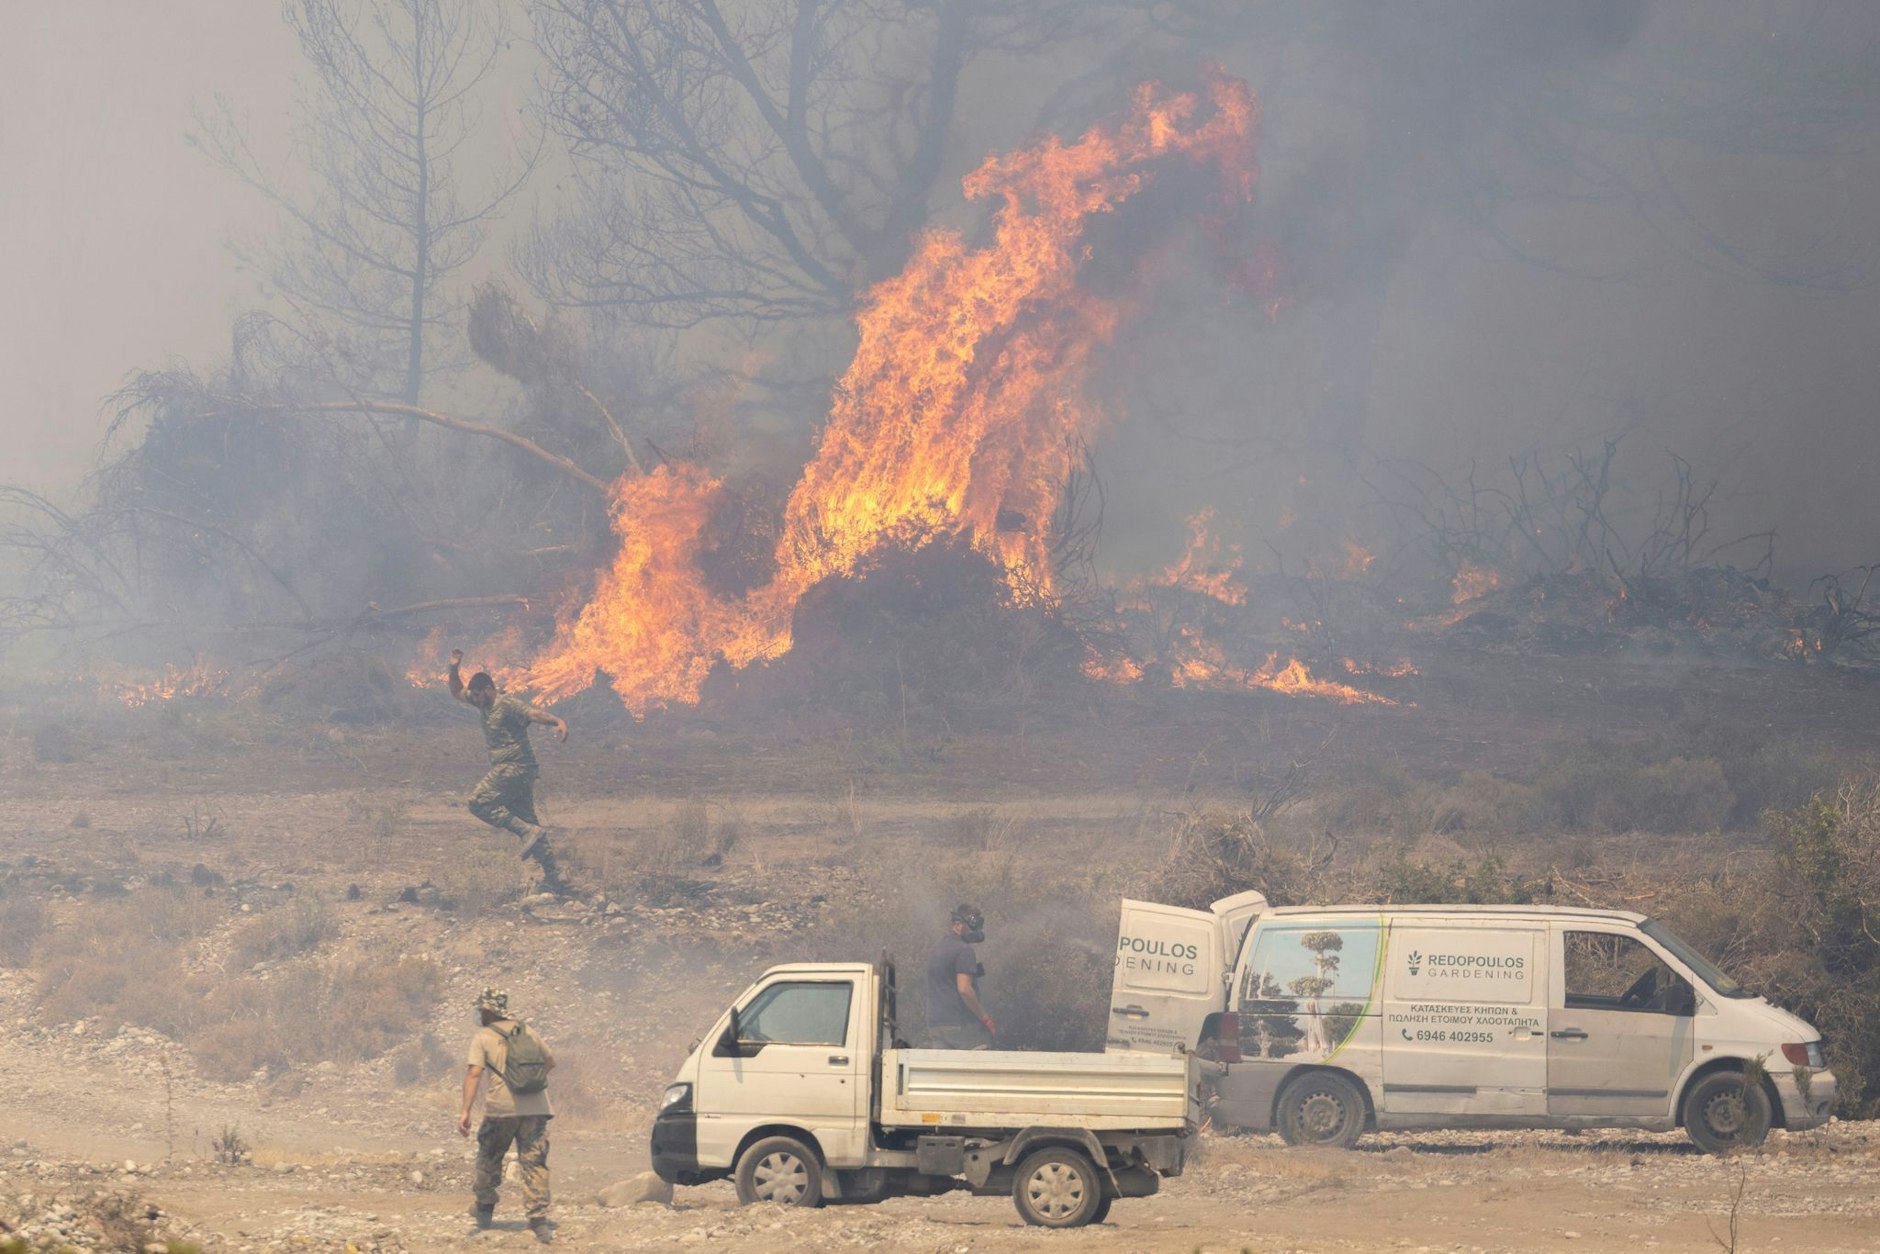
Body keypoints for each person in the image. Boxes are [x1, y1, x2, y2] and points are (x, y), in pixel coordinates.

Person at [448, 648, 570, 895]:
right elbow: (455, 692)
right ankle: (555, 877)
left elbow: (533, 714)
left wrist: (558, 721)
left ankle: (527, 832)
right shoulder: (481, 701)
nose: (477, 700)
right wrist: (453, 668)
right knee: (530, 822)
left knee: (478, 802)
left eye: (480, 695)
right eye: (475, 697)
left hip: (516, 767)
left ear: (490, 689)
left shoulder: (507, 704)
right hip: (518, 770)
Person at [459, 988, 557, 1242]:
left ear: (489, 1011)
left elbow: (473, 1074)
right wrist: (529, 1083)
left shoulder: (483, 1036)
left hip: (501, 1110)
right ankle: (539, 1221)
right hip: (536, 1108)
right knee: (534, 1163)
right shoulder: (526, 1030)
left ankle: (484, 1209)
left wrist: (465, 1111)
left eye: (481, 1010)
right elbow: (550, 1062)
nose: (479, 1014)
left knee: (489, 1158)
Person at [923, 904, 996, 1048]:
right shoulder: (964, 950)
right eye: (973, 925)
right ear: (958, 925)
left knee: (945, 1067)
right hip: (958, 1023)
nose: (976, 930)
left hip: (935, 1025)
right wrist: (984, 1017)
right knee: (984, 1048)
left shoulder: (937, 948)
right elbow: (964, 989)